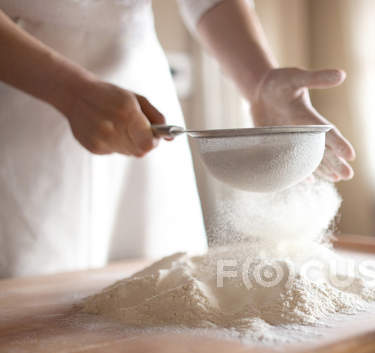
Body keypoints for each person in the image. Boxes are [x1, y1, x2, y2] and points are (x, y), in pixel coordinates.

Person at [0, 0, 355, 278]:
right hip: (24, 80)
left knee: (160, 280)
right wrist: (70, 92)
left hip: (138, 75)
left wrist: (259, 82)